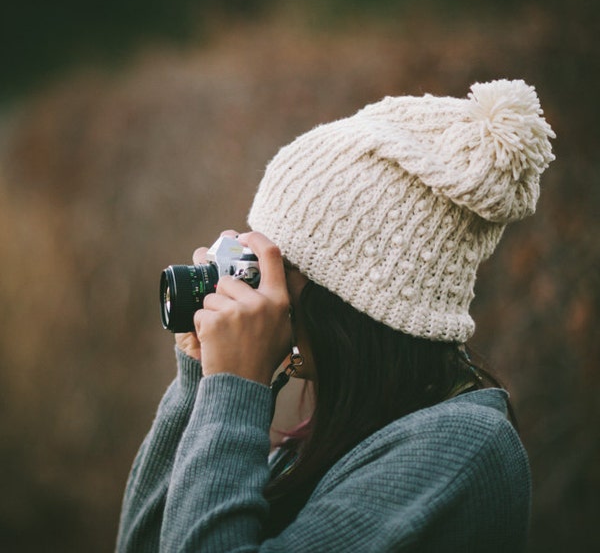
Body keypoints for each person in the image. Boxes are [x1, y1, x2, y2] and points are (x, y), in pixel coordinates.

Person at [116, 79, 555, 552]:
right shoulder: (334, 435)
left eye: (279, 269)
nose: (261, 291)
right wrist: (202, 380)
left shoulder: (460, 450)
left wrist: (234, 389)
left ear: (351, 301)